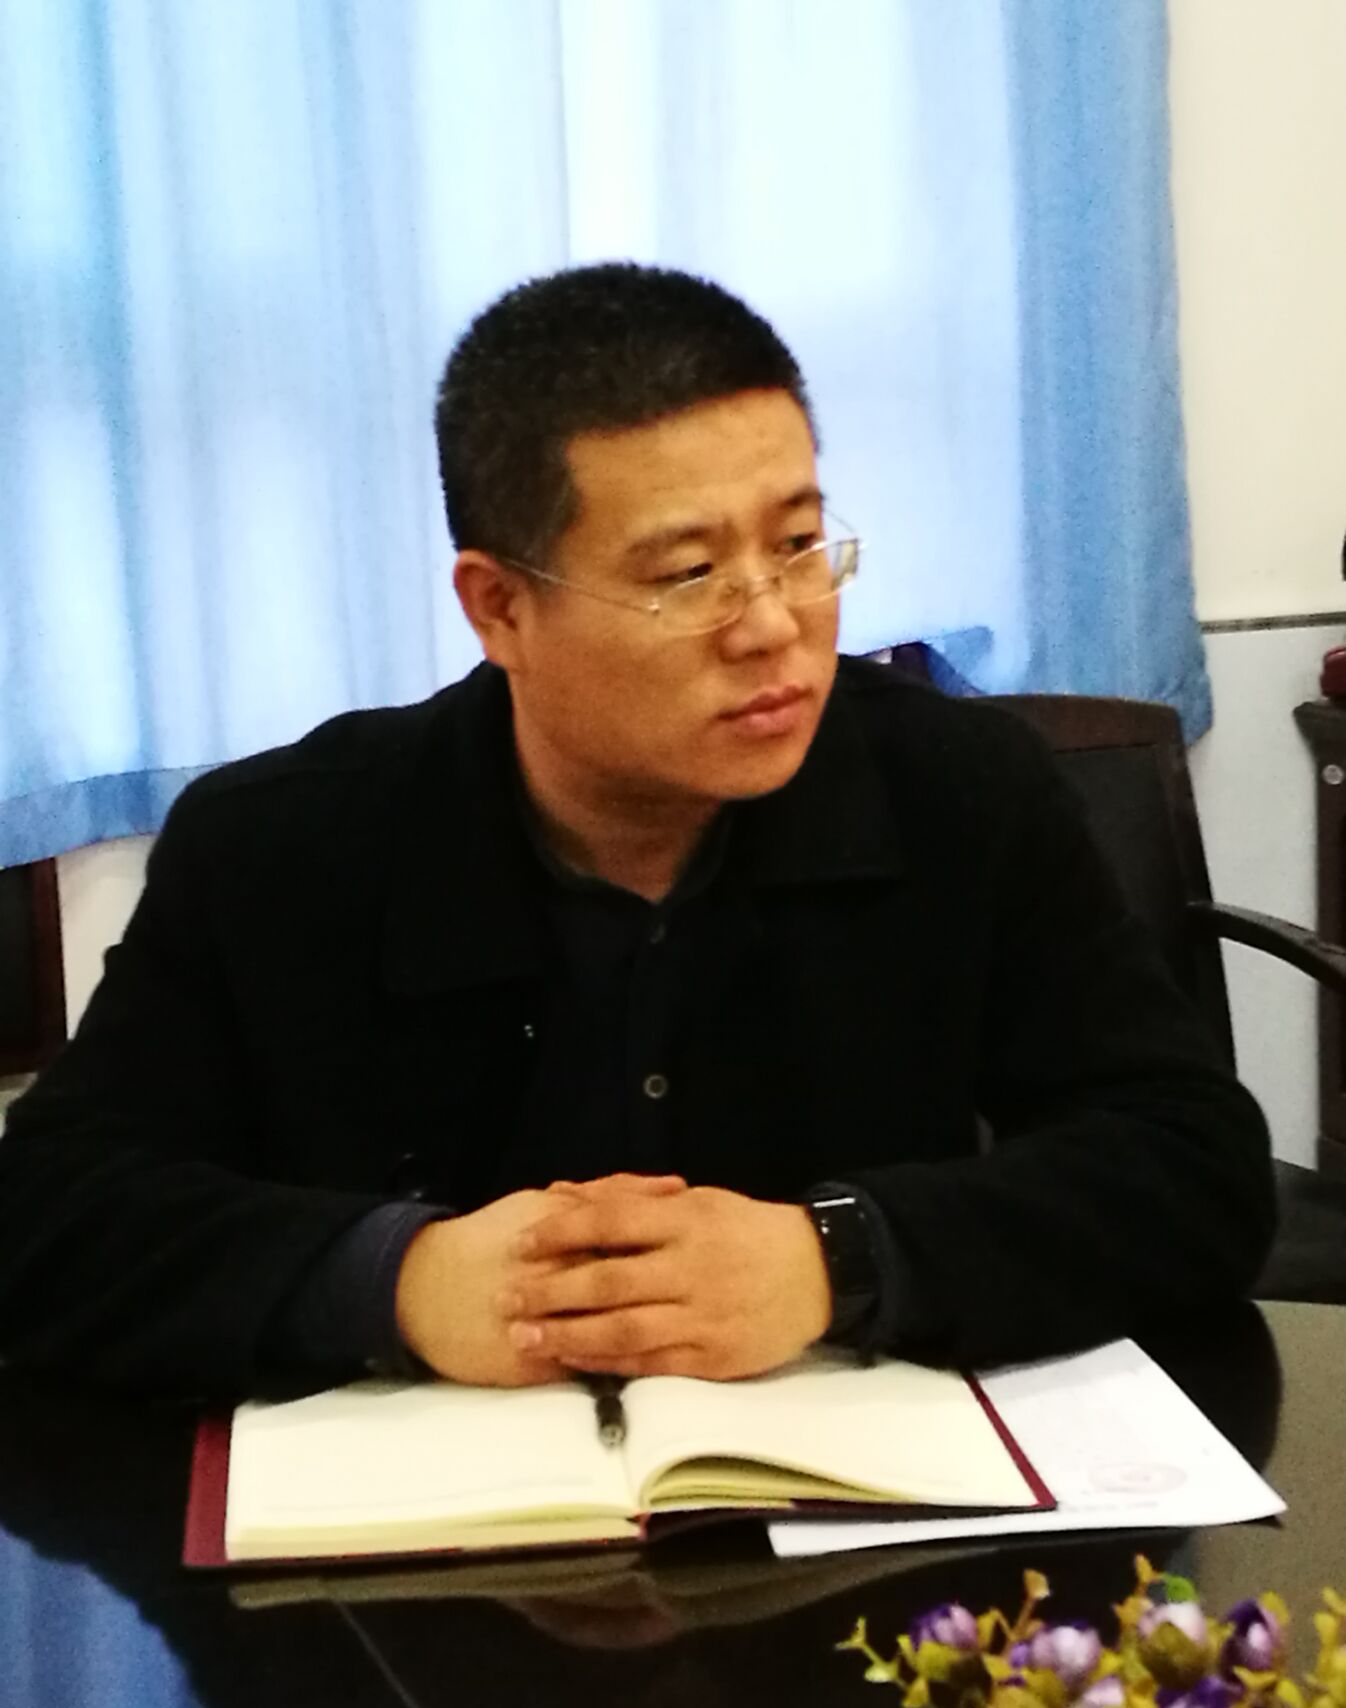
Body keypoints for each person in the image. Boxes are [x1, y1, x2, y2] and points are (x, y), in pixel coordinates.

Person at [0, 264, 1274, 1398]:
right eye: (687, 574)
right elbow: (50, 1215)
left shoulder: (960, 790)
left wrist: (836, 1257)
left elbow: (1191, 1166)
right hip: (416, 1556)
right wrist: (394, 1280)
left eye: (798, 544)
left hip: (864, 1547)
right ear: (498, 609)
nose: (770, 623)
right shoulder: (280, 847)